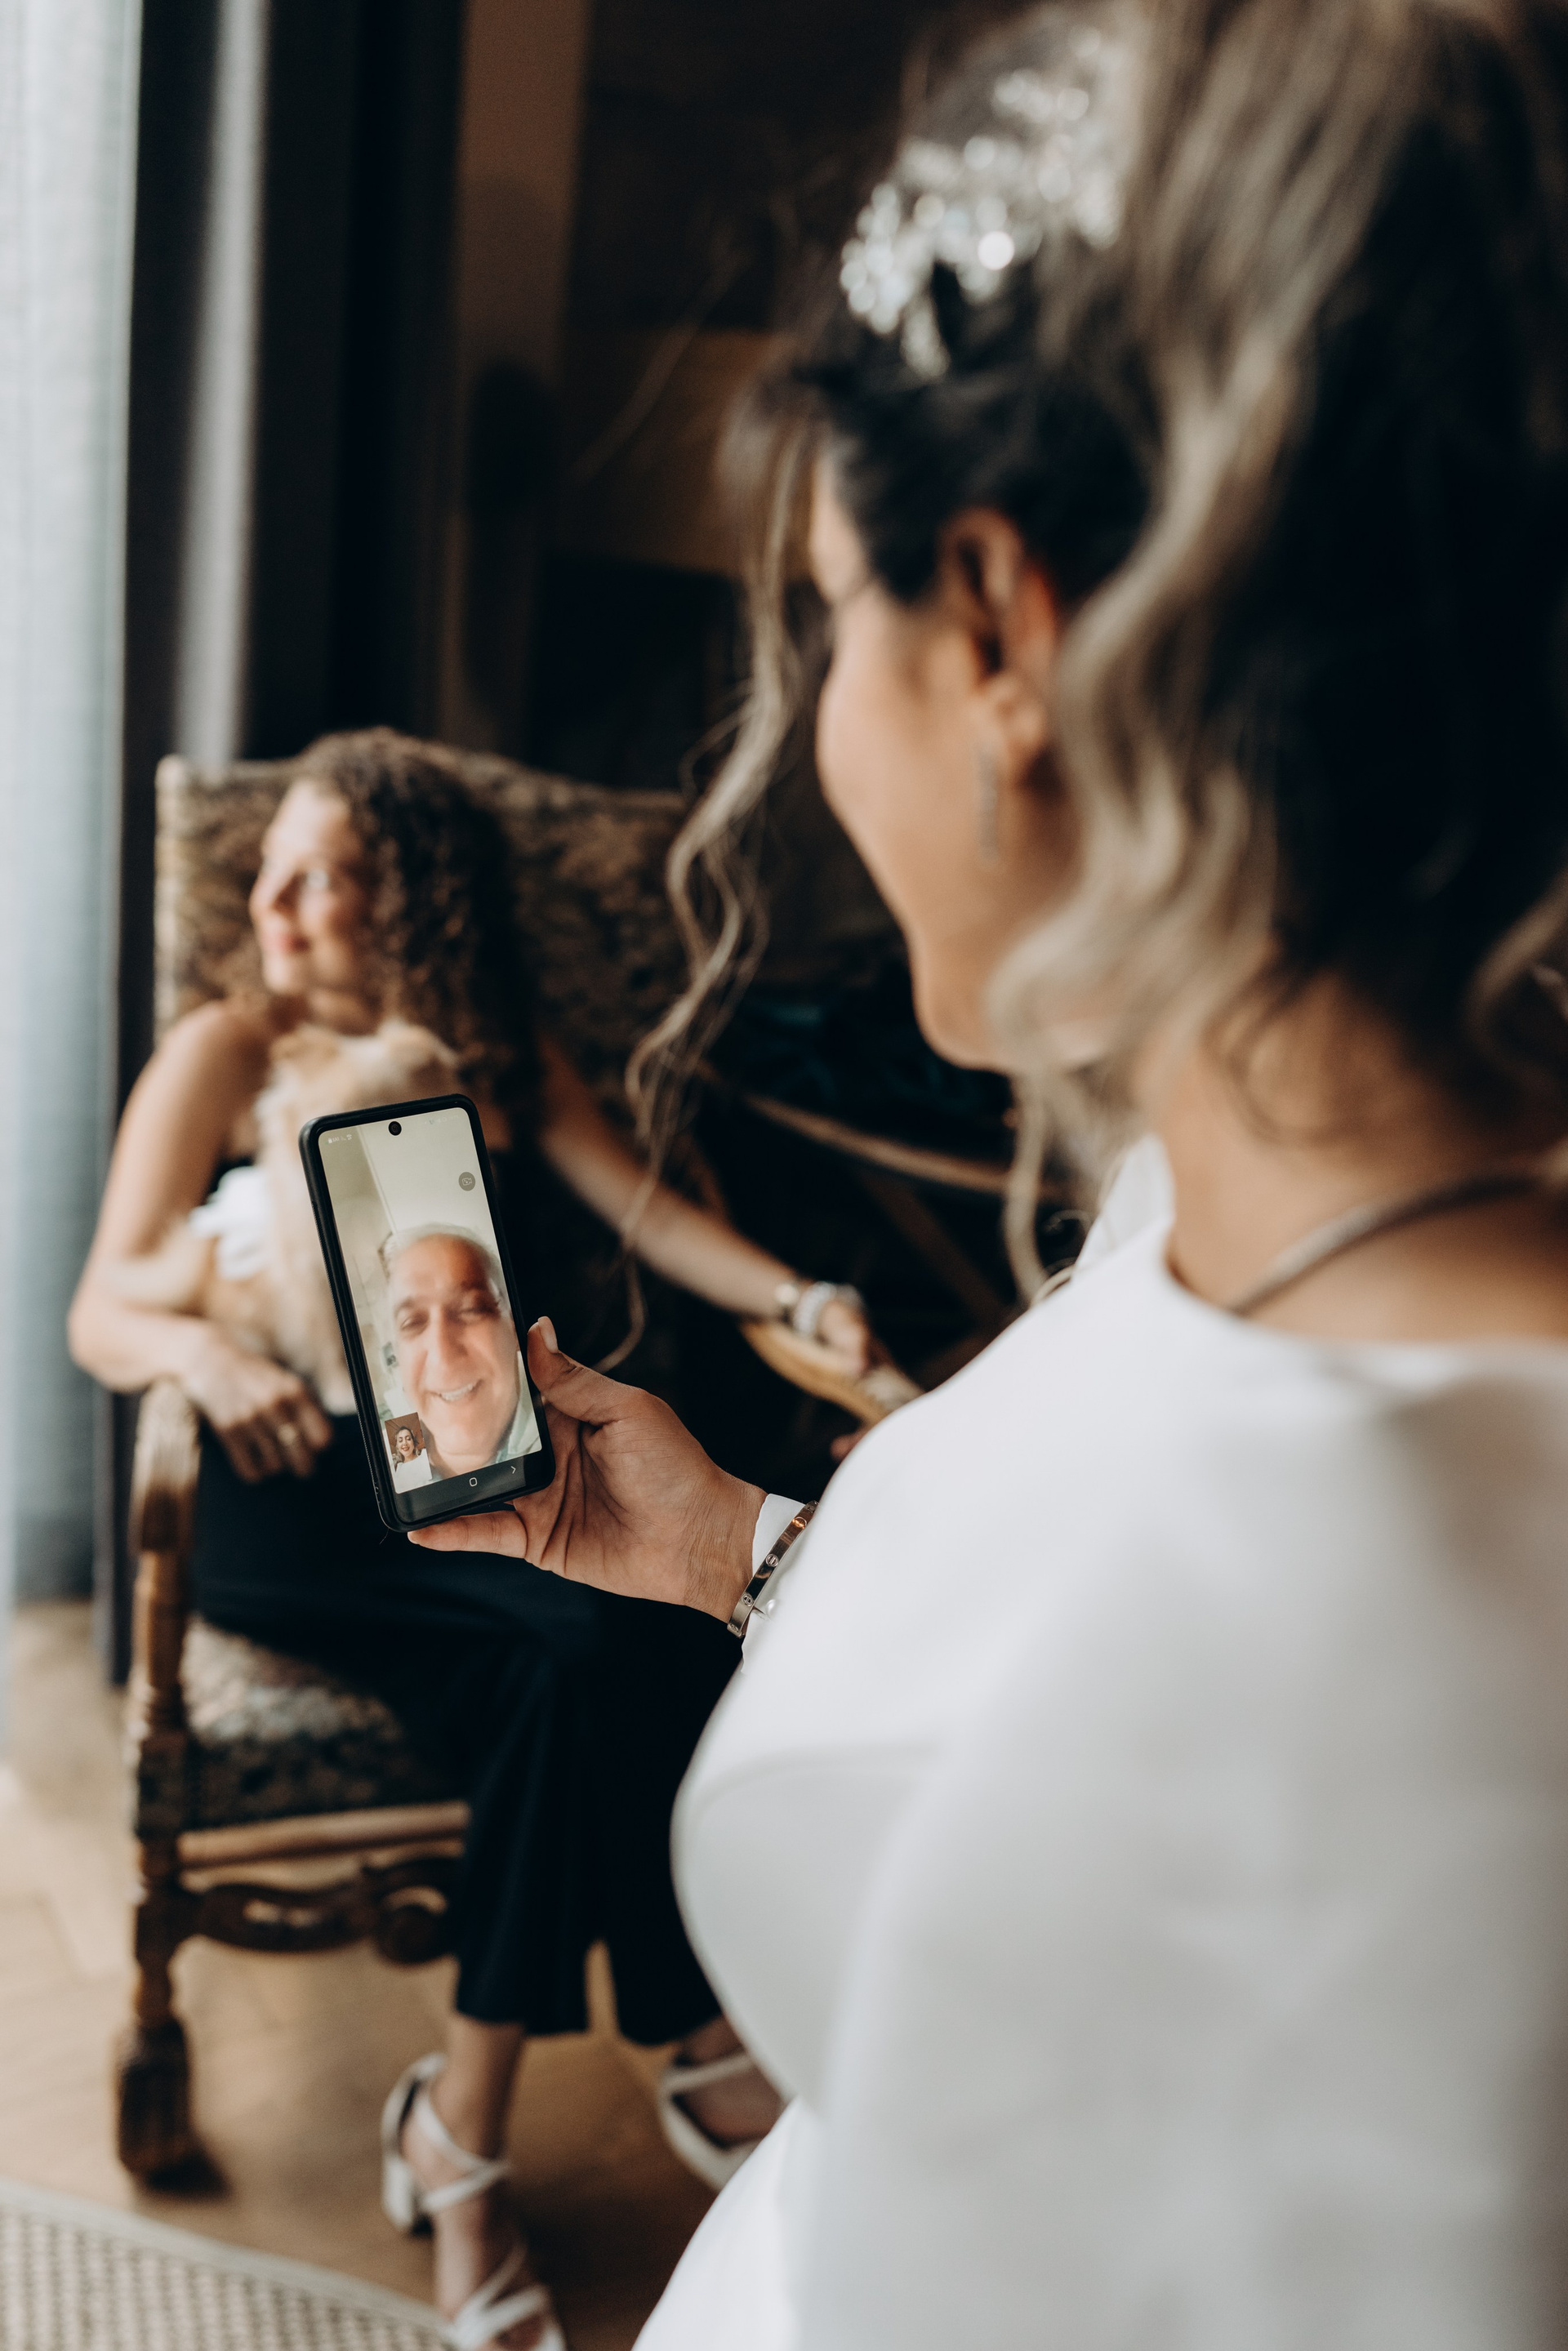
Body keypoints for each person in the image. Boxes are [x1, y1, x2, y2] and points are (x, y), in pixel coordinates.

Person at [412, 2, 1568, 2342]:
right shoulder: (1233, 1230)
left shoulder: (1319, 1544)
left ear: (1006, 628)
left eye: (839, 619)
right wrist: (732, 1545)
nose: (829, 720)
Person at [70, 729, 874, 2350]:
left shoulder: (494, 1051)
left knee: (586, 1647)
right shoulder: (225, 1047)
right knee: (587, 1639)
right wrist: (210, 1346)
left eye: (324, 876)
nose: (277, 903)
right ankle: (679, 2029)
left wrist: (799, 1292)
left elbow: (645, 1204)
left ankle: (465, 2131)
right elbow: (105, 1301)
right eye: (272, 872)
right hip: (291, 1485)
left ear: (410, 895)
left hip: (453, 1462)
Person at [382, 1228, 534, 1476]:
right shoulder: (385, 1466)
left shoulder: (571, 1440)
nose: (442, 1354)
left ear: (513, 1328)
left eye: (472, 1309)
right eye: (412, 1322)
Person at [389, 1420, 434, 1490]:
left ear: (413, 1442)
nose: (404, 1443)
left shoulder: (425, 1457)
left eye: (408, 1439)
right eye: (400, 1441)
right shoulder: (398, 1469)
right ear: (397, 1446)